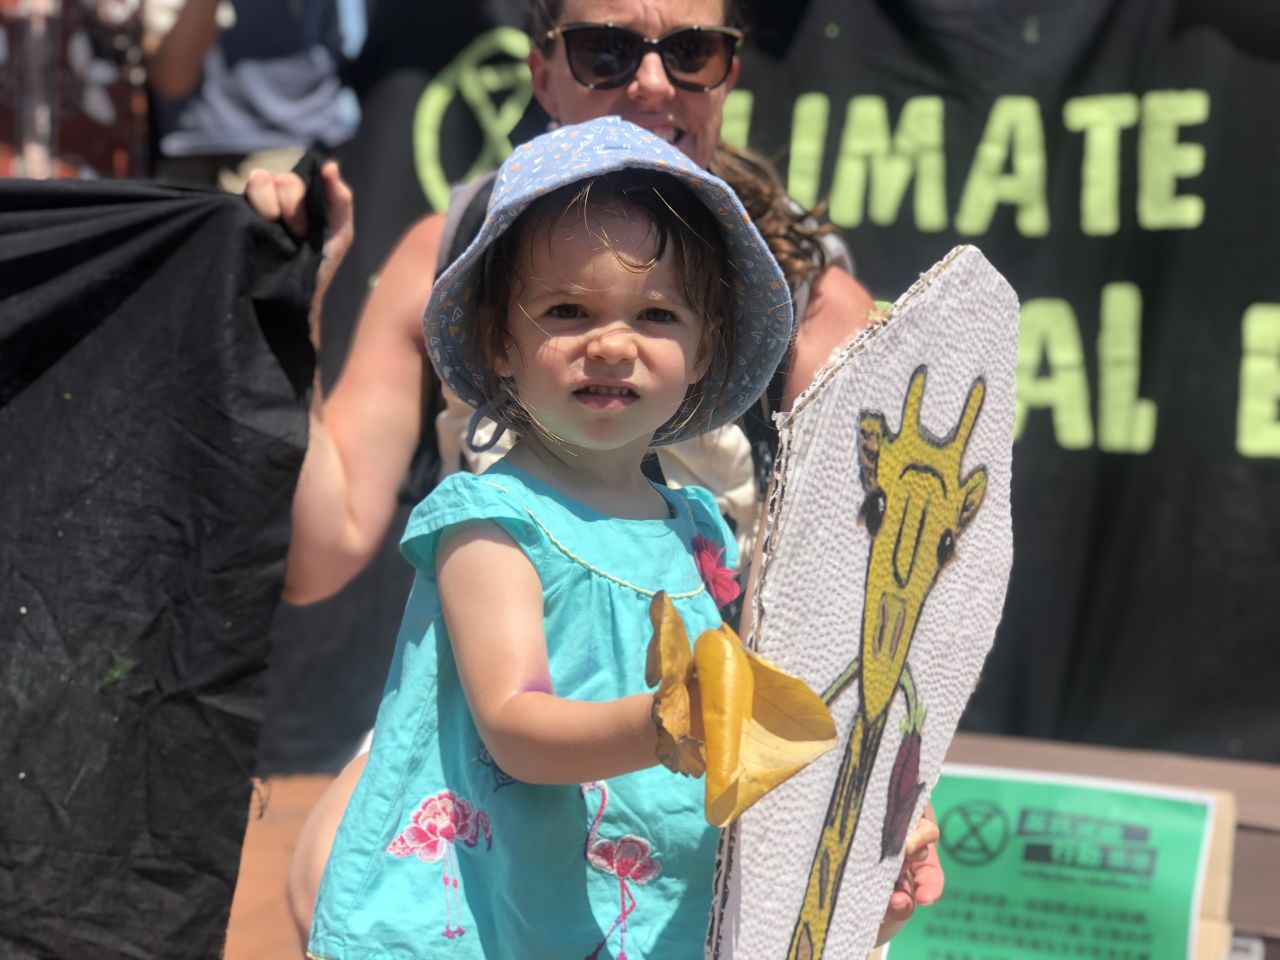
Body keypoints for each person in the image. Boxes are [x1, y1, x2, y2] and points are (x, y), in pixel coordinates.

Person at [245, 0, 942, 940]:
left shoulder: (817, 307)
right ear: (543, 71)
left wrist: (877, 809)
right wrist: (284, 322)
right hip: (514, 713)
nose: (652, 83)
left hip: (710, 735)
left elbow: (855, 624)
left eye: (691, 51)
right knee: (336, 866)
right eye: (606, 49)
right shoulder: (448, 253)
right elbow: (322, 554)